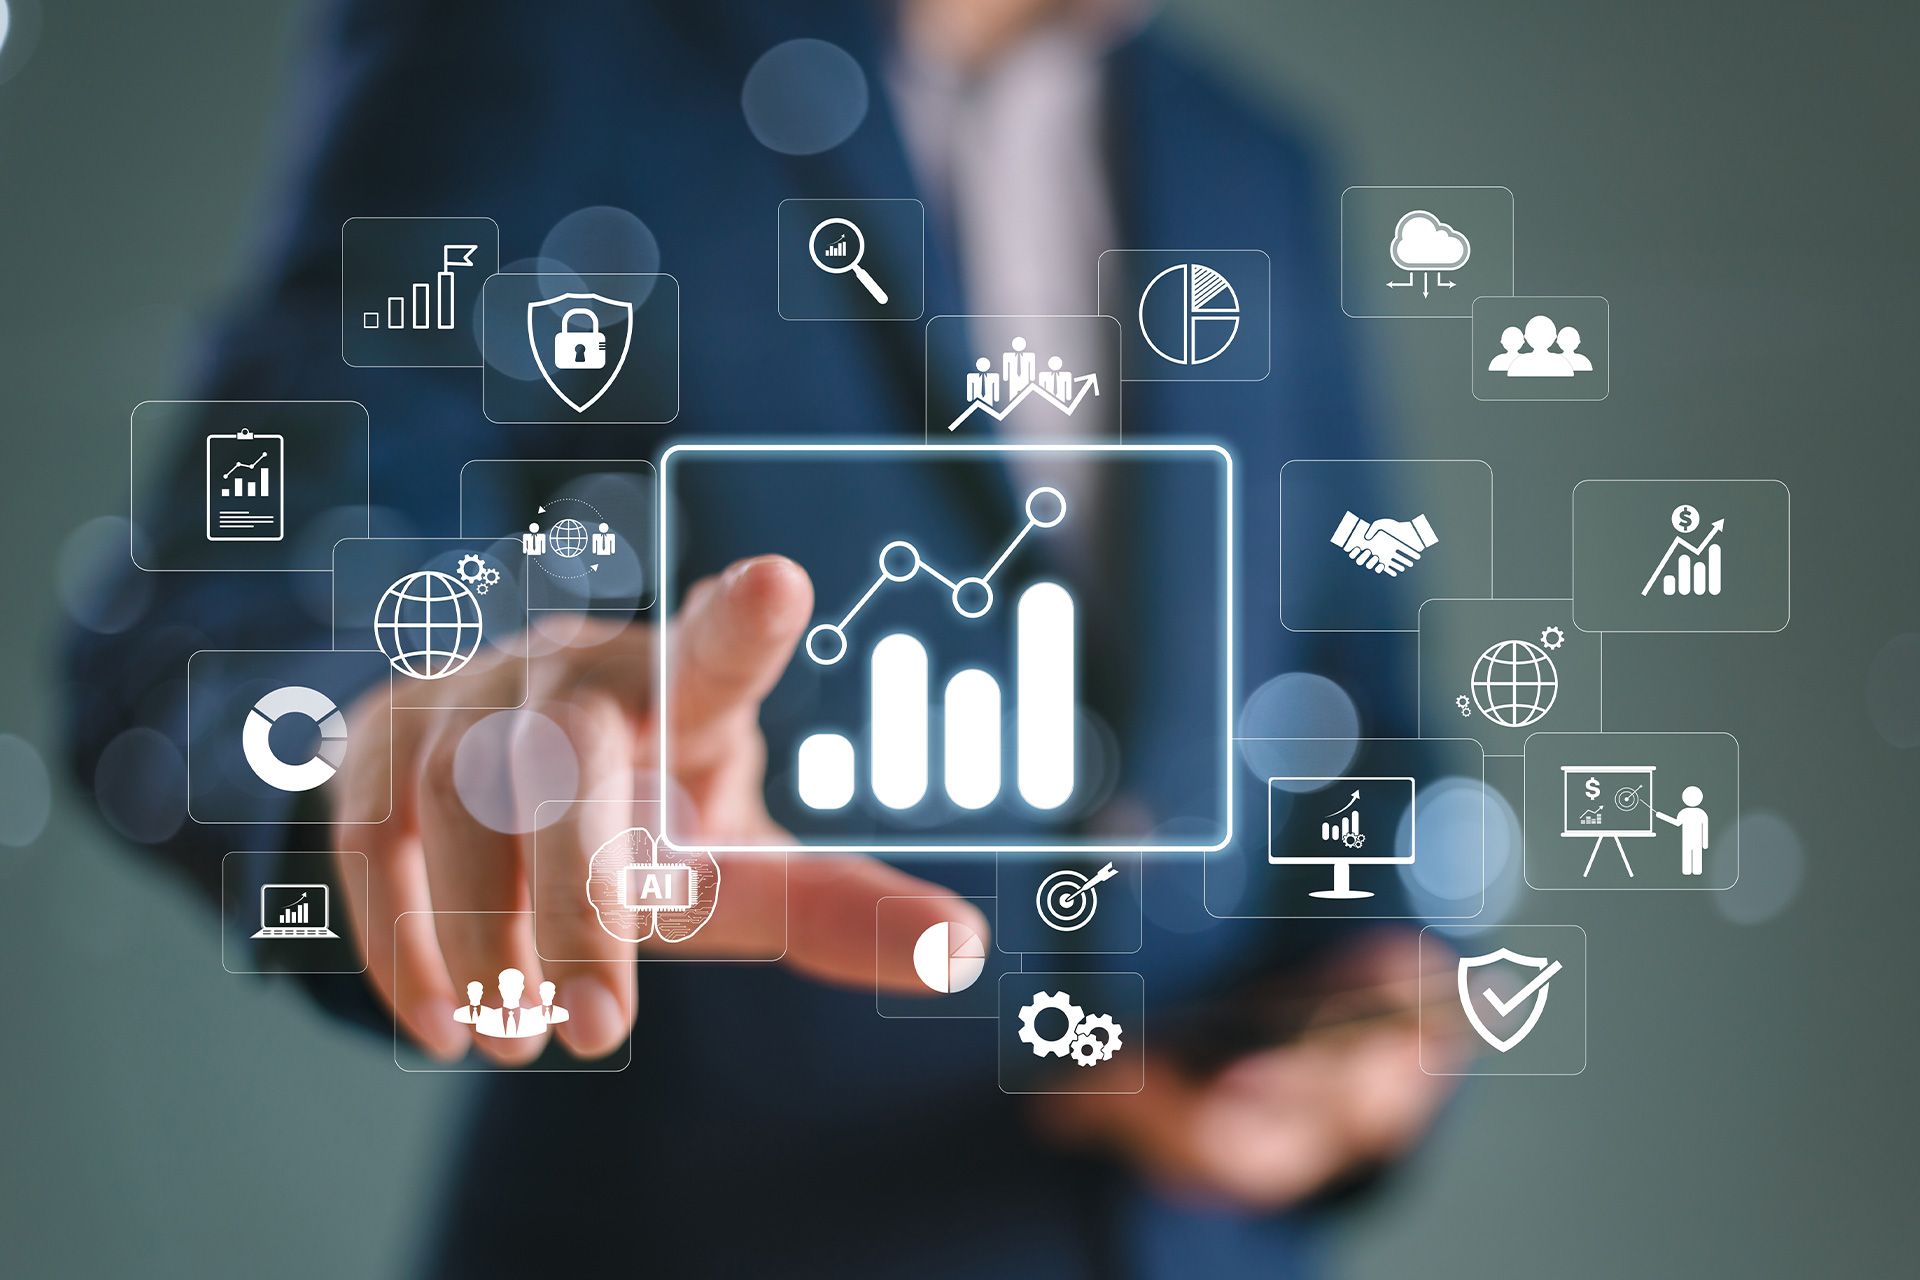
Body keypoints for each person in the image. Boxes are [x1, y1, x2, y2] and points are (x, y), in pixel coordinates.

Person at [64, 2, 1457, 1274]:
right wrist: (390, 742)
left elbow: (1364, 713)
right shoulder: (554, 42)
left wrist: (1381, 987)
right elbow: (220, 603)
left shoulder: (1254, 164)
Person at [1656, 784, 1711, 876]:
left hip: (1693, 840)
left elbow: (1704, 827)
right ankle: (1690, 871)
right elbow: (1678, 823)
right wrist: (1661, 816)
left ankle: (1694, 871)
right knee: (1689, 856)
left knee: (1694, 856)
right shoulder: (1695, 813)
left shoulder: (1697, 813)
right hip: (1688, 840)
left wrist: (1705, 843)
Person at [1508, 313, 1573, 376]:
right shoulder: (1562, 363)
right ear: (1554, 337)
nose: (1540, 336)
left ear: (1526, 337)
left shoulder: (1518, 364)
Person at [1002, 334, 1037, 399]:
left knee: (1027, 397)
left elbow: (1031, 369)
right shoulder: (1007, 356)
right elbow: (1006, 370)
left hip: (1026, 380)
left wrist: (1032, 378)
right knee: (1013, 398)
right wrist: (1005, 378)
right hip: (1013, 380)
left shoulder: (1030, 356)